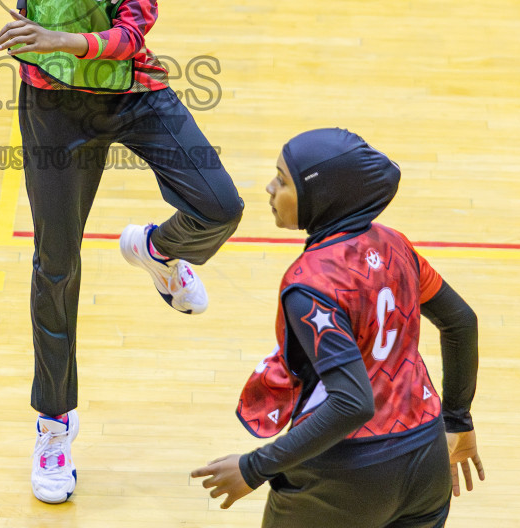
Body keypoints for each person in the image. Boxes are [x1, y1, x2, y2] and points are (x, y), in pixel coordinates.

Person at [0, 0, 245, 504]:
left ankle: (158, 252)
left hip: (128, 89)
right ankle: (54, 426)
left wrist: (70, 38)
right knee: (56, 269)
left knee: (221, 204)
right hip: (54, 106)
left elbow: (135, 28)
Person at [192, 128, 484, 527]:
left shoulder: (310, 283)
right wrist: (458, 420)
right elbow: (461, 322)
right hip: (426, 456)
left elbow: (352, 403)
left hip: (344, 472)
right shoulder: (397, 246)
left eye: (282, 179)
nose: (269, 187)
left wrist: (254, 468)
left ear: (320, 195)